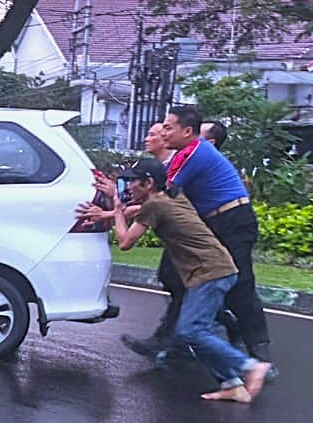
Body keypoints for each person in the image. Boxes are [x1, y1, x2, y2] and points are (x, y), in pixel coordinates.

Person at [100, 157, 273, 403]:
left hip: (210, 271)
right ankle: (231, 383)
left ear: (148, 183)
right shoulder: (172, 195)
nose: (128, 188)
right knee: (190, 332)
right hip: (215, 269)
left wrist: (116, 211)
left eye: (131, 182)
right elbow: (139, 209)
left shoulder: (154, 206)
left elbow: (126, 242)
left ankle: (249, 366)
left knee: (191, 330)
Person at [160, 105, 272, 362]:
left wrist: (117, 210)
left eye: (168, 127)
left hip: (233, 220)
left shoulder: (194, 153)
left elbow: (163, 196)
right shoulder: (182, 155)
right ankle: (182, 341)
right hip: (210, 223)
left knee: (240, 283)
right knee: (177, 276)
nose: (162, 132)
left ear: (187, 131)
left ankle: (259, 351)